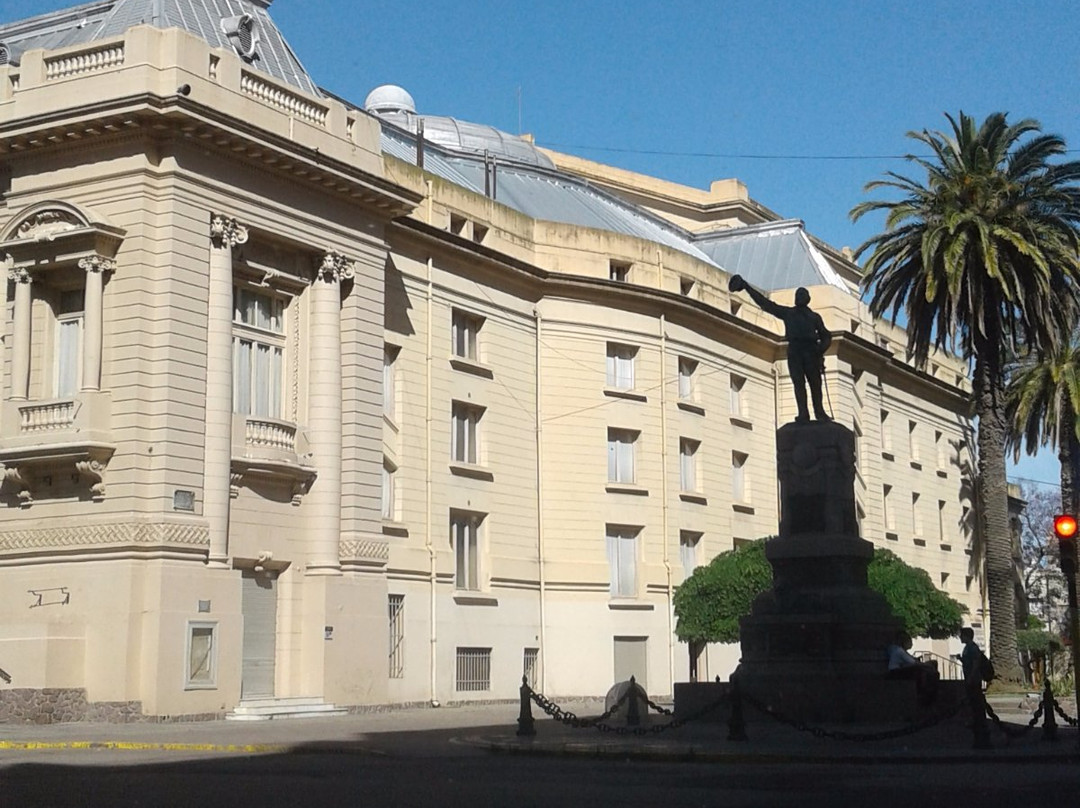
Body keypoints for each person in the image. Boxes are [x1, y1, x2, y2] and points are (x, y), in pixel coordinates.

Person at [728, 275, 831, 423]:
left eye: (802, 295)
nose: (799, 297)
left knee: (815, 384)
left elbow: (826, 336)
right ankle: (803, 413)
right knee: (798, 383)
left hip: (810, 351)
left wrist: (820, 350)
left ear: (807, 299)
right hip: (795, 350)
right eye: (798, 295)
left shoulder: (814, 317)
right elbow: (766, 304)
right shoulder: (789, 313)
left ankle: (819, 412)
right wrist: (746, 287)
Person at [886, 630, 939, 705]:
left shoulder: (894, 648)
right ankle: (923, 692)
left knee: (927, 667)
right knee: (921, 670)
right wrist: (927, 665)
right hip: (896, 672)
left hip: (896, 671)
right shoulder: (899, 651)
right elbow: (913, 663)